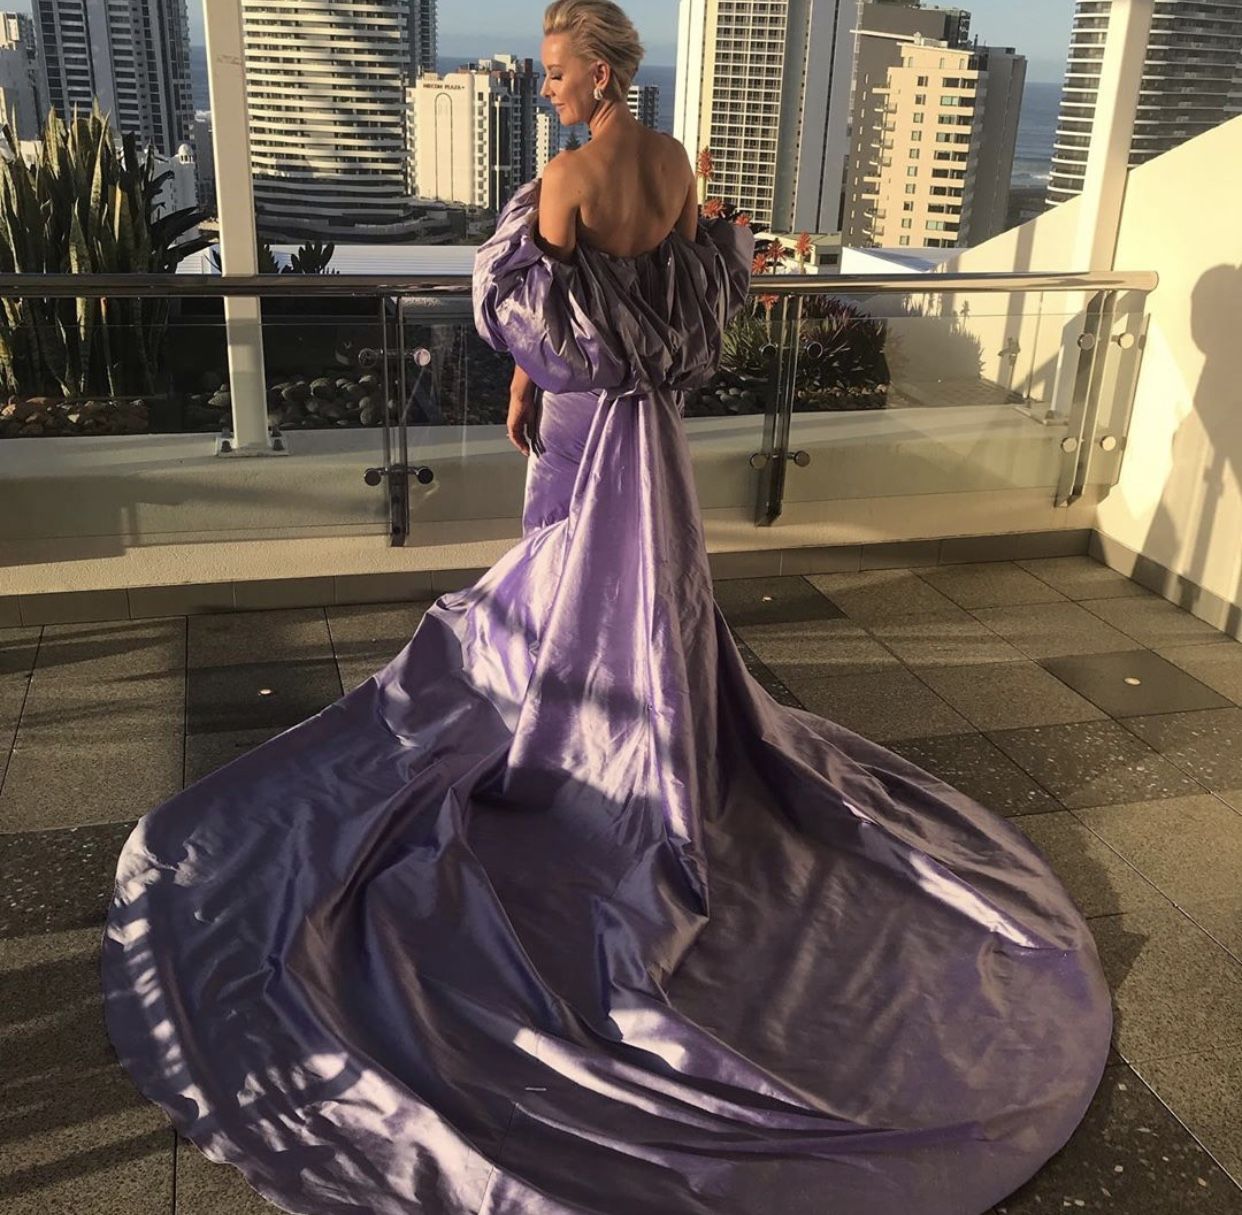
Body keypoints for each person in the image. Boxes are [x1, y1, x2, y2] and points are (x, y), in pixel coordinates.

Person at [101, 3, 1113, 1213]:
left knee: (566, 575)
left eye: (553, 72)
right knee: (649, 585)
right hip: (656, 423)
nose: (546, 90)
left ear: (595, 73)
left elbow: (540, 318)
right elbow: (688, 295)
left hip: (585, 417)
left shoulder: (566, 179)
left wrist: (523, 380)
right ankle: (644, 714)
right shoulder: (676, 165)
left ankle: (567, 723)